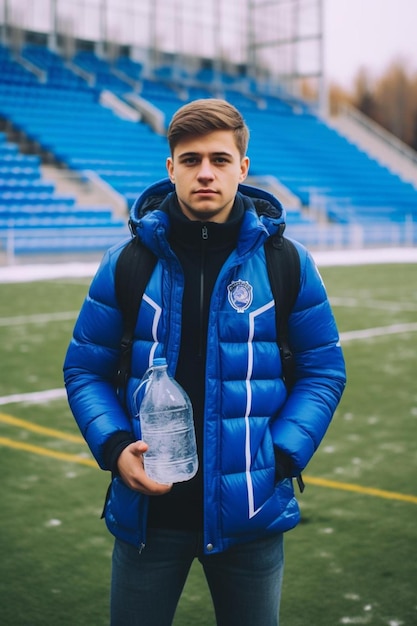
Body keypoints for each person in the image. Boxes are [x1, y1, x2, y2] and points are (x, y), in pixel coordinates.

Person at [64, 98, 346, 626]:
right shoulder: (126, 261)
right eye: (191, 160)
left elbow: (323, 370)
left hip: (251, 518)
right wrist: (115, 446)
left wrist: (280, 458)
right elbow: (85, 369)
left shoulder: (288, 263)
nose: (205, 173)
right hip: (149, 516)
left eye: (220, 159)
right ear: (171, 169)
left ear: (243, 167)